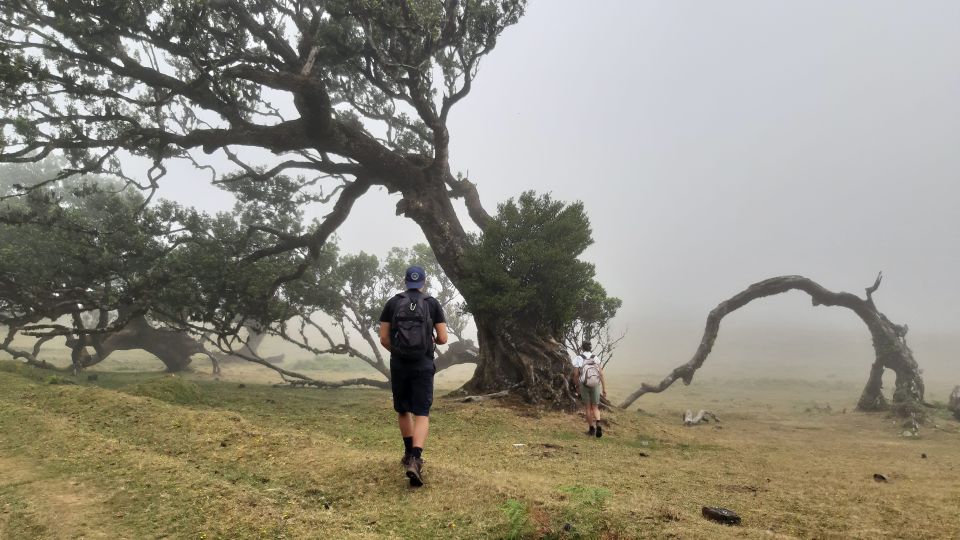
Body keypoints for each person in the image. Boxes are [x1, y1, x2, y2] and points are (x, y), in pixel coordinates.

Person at [379, 265, 448, 487]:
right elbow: (444, 338)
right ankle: (416, 459)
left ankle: (408, 453)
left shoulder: (393, 303)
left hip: (399, 364)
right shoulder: (431, 303)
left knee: (403, 409)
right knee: (422, 412)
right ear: (423, 282)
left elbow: (384, 338)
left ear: (405, 281)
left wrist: (399, 352)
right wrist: (430, 343)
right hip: (423, 363)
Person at [571, 341, 607, 438]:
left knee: (587, 408)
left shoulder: (579, 358)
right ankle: (598, 423)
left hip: (584, 385)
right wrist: (604, 389)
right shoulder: (595, 358)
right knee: (595, 407)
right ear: (590, 348)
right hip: (595, 384)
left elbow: (575, 375)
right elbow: (601, 374)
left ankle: (591, 429)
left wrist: (577, 387)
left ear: (582, 348)